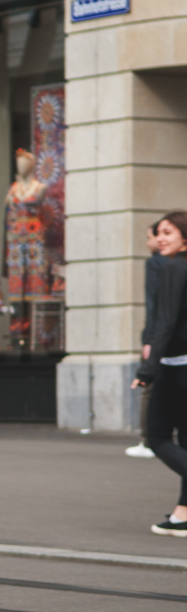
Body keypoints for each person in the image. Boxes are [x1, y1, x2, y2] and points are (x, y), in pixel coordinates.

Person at [131, 210, 187, 537]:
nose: (161, 237)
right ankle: (183, 515)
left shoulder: (172, 267)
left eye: (169, 232)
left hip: (174, 367)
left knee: (157, 437)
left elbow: (164, 322)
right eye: (159, 232)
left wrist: (147, 370)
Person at [127, 220, 167, 458]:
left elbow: (156, 307)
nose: (152, 241)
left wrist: (149, 340)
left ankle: (147, 439)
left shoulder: (157, 264)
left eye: (164, 234)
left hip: (164, 339)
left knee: (149, 388)